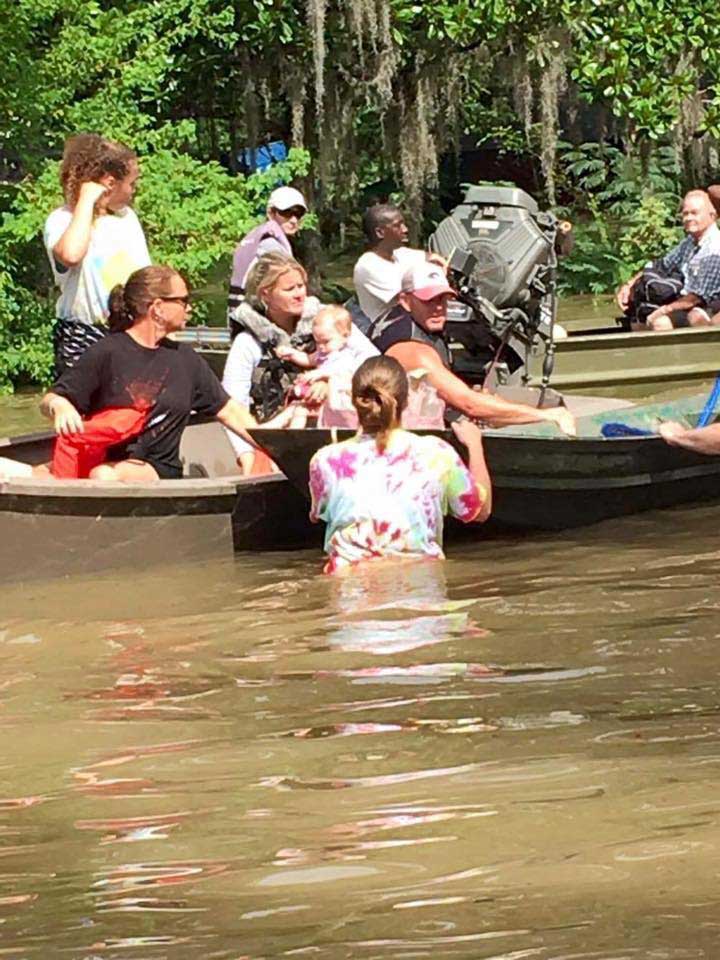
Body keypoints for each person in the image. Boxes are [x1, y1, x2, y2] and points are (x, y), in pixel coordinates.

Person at [0, 266, 256, 483]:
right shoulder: (107, 352)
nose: (189, 308)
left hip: (155, 470)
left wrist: (274, 446)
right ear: (157, 307)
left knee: (103, 476)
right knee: (37, 474)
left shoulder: (186, 359)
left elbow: (231, 412)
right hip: (98, 460)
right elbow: (52, 399)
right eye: (183, 301)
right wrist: (60, 406)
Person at [309, 355, 492, 574]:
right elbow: (479, 511)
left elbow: (318, 514)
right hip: (420, 582)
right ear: (406, 401)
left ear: (354, 400)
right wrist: (474, 445)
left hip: (349, 587)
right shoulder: (436, 453)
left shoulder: (326, 460)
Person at [368, 261, 577, 435]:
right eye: (429, 300)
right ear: (405, 301)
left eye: (443, 299)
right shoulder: (412, 350)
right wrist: (546, 415)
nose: (439, 307)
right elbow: (469, 405)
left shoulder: (405, 319)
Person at [222, 254, 376, 472]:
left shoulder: (329, 323)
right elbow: (232, 403)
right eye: (289, 289)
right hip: (273, 443)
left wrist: (332, 380)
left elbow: (374, 364)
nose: (299, 294)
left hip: (337, 434)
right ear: (266, 293)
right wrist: (246, 455)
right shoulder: (248, 342)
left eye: (301, 286)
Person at [44, 133, 151, 376]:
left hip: (129, 333)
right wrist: (86, 201)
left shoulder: (127, 219)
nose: (134, 191)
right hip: (83, 336)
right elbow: (71, 254)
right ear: (110, 183)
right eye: (132, 184)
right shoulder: (62, 220)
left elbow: (144, 277)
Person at [616, 190, 720, 331]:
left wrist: (664, 310)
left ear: (712, 216)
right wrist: (629, 285)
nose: (688, 218)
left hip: (706, 305)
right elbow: (660, 265)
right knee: (638, 321)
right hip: (684, 301)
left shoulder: (715, 247)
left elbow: (697, 297)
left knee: (660, 323)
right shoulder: (688, 243)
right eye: (685, 213)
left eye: (694, 213)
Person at [268, 305, 378, 428]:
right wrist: (292, 354)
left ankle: (295, 435)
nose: (321, 347)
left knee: (301, 410)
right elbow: (308, 359)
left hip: (336, 401)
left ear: (345, 336)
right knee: (295, 408)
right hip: (319, 396)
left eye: (326, 341)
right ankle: (276, 428)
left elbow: (341, 372)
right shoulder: (323, 352)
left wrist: (318, 374)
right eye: (317, 342)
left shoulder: (345, 355)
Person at [352, 203, 446, 327]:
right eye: (398, 226)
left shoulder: (399, 253)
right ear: (380, 232)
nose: (405, 229)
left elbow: (432, 257)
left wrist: (440, 263)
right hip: (388, 329)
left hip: (413, 321)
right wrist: (438, 279)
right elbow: (408, 299)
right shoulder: (368, 266)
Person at [227, 185, 308, 320]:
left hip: (239, 315)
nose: (294, 220)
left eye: (298, 214)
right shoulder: (270, 246)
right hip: (254, 319)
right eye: (287, 213)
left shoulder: (256, 238)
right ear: (271, 213)